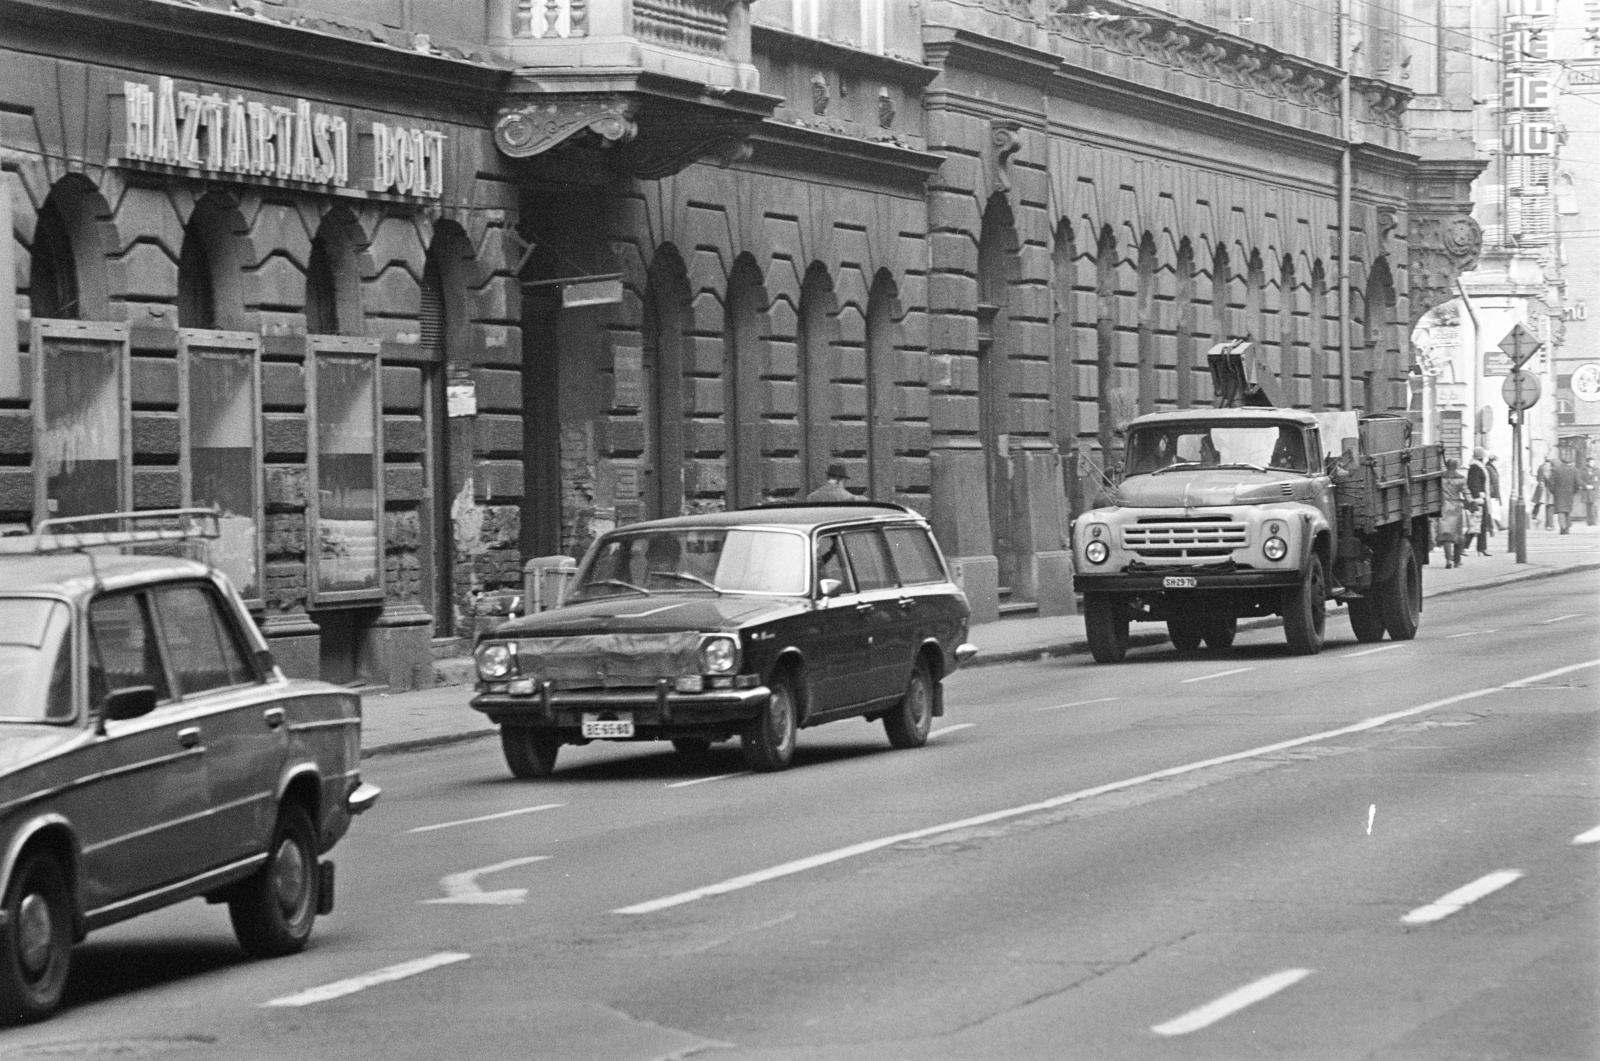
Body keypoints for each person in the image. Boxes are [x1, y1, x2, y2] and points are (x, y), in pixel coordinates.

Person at [1437, 456, 1471, 568]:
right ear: (1457, 466)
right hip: (1456, 507)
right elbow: (1467, 495)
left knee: (1447, 535)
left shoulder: (1440, 477)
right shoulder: (1461, 479)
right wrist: (1473, 502)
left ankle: (1448, 561)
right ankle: (1457, 560)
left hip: (1443, 506)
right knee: (1459, 535)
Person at [1548, 452, 1582, 534]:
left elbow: (1551, 482)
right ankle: (1567, 527)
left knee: (1561, 511)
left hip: (1558, 493)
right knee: (1567, 511)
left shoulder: (1556, 470)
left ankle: (1563, 528)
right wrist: (1575, 491)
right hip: (1569, 493)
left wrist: (1553, 491)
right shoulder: (1574, 470)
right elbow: (1577, 482)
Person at [1463, 448, 1489, 555]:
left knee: (1482, 524)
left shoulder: (1478, 467)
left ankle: (1481, 548)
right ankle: (1463, 546)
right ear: (1481, 457)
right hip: (1478, 500)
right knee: (1475, 525)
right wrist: (1478, 497)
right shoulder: (1475, 468)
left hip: (1482, 499)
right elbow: (1474, 484)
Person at [1532, 454, 1554, 529]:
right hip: (1547, 488)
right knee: (1549, 504)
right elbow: (1548, 478)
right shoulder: (1550, 468)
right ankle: (1549, 524)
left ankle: (1534, 514)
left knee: (1539, 502)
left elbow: (1538, 477)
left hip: (1542, 486)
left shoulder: (1541, 467)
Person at [1582, 457, 1599, 527]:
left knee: (1594, 505)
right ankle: (1589, 521)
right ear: (1587, 463)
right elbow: (1580, 479)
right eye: (1591, 462)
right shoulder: (1583, 470)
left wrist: (1595, 486)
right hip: (1586, 491)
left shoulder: (1597, 470)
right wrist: (1585, 485)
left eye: (1593, 462)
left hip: (1594, 490)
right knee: (1588, 506)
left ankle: (1594, 521)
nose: (1592, 463)